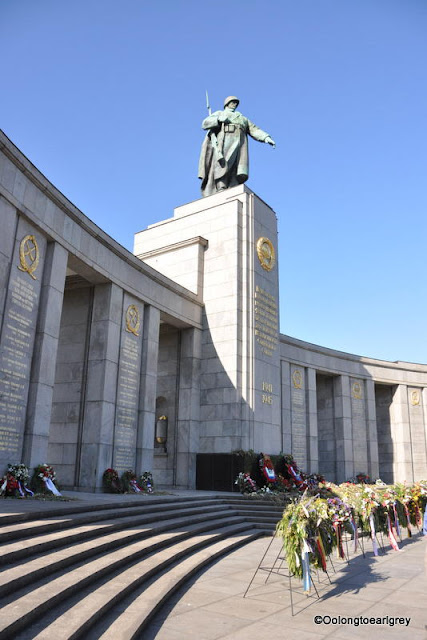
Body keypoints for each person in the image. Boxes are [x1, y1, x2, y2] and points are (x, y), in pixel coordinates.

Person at [198, 96, 276, 197]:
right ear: (227, 103)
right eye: (232, 102)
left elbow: (254, 130)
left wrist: (266, 137)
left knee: (237, 166)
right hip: (226, 139)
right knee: (224, 163)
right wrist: (218, 119)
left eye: (236, 102)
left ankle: (232, 186)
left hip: (241, 143)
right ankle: (221, 186)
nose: (235, 104)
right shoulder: (220, 113)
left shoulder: (242, 118)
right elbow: (205, 123)